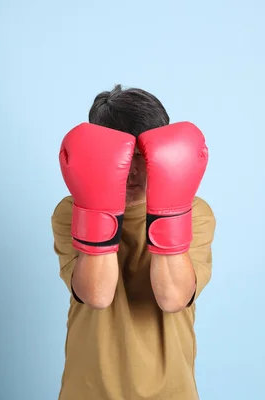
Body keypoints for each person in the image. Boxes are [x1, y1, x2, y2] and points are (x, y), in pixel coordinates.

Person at [51, 84, 216, 400]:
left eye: (143, 157)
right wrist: (98, 203)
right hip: (88, 391)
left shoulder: (196, 213)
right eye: (122, 159)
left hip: (170, 392)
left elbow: (172, 297)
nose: (133, 171)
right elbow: (97, 294)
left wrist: (169, 205)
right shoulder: (70, 211)